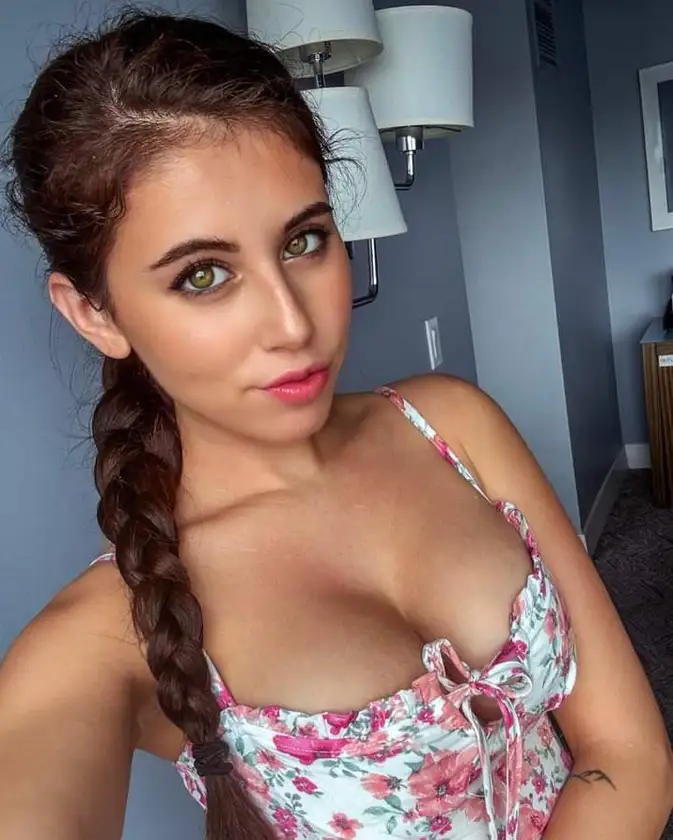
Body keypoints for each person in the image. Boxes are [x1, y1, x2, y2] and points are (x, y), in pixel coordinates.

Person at [0, 10, 670, 840]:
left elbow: (628, 753)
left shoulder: (449, 423)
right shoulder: (101, 635)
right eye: (203, 275)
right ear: (94, 313)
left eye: (304, 240)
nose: (292, 323)